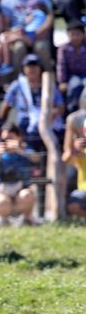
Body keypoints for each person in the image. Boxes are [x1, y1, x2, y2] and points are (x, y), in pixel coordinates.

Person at [0, 54, 65, 152]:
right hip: (25, 128)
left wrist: (53, 112)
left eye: (35, 65)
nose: (32, 69)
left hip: (49, 123)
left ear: (40, 68)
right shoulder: (17, 85)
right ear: (24, 68)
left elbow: (61, 106)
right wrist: (2, 124)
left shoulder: (49, 84)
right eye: (29, 66)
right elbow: (5, 108)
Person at [0, 0, 54, 75]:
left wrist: (36, 33)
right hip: (17, 35)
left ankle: (49, 77)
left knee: (41, 47)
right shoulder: (6, 2)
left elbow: (49, 17)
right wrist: (20, 35)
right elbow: (5, 25)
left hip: (38, 35)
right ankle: (17, 81)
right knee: (19, 48)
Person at [0, 124, 39, 225]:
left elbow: (37, 158)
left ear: (19, 137)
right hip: (2, 192)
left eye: (11, 138)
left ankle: (27, 220)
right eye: (5, 139)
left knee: (27, 195)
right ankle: (6, 223)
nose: (7, 142)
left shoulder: (25, 150)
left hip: (21, 191)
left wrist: (19, 150)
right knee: (0, 203)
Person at [63, 91, 86, 219]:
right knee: (74, 204)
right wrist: (74, 149)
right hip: (83, 188)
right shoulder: (74, 120)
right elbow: (66, 158)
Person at [57, 20, 86, 111]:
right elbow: (61, 65)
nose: (75, 37)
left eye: (78, 34)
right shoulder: (63, 48)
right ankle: (71, 112)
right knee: (73, 86)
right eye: (72, 34)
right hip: (72, 76)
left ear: (83, 35)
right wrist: (62, 81)